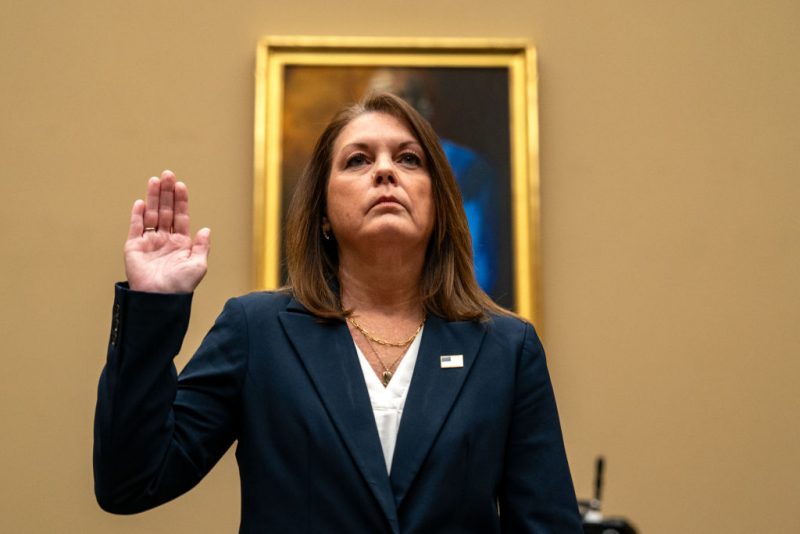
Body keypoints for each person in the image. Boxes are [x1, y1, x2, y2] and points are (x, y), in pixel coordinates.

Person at [94, 93, 582, 533]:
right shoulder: (258, 330)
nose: (385, 172)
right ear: (324, 212)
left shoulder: (504, 348)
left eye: (409, 159)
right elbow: (131, 482)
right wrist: (154, 307)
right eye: (358, 160)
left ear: (439, 204)